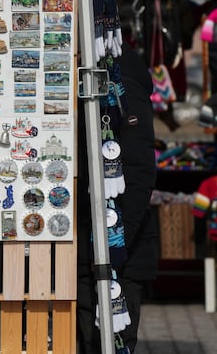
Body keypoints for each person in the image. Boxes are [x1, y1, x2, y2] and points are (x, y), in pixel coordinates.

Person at [76, 42, 159, 353]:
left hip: (117, 253)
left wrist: (115, 242)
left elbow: (139, 171)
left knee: (107, 340)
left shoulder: (119, 83)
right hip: (87, 247)